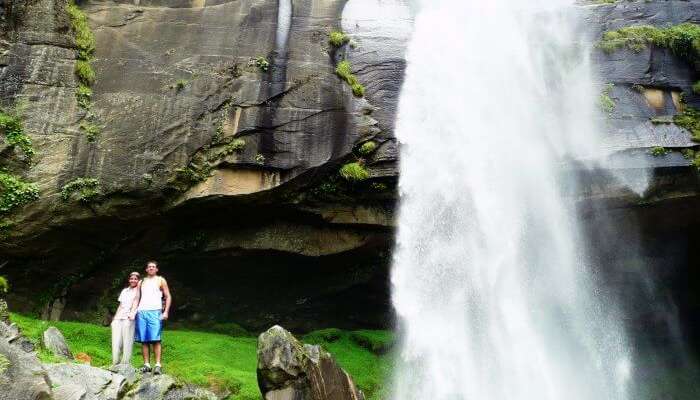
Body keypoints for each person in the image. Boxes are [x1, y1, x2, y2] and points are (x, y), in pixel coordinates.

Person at [129, 260, 171, 375]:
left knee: (156, 339)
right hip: (142, 312)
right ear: (146, 269)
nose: (151, 268)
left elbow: (168, 296)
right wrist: (133, 312)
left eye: (153, 267)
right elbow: (137, 298)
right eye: (149, 267)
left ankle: (157, 365)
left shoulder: (161, 280)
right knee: (144, 340)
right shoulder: (141, 282)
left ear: (156, 269)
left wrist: (166, 312)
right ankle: (146, 364)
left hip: (155, 312)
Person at [111, 271, 140, 368]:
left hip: (129, 317)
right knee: (116, 339)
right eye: (131, 278)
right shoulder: (124, 291)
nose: (133, 280)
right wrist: (115, 317)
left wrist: (132, 314)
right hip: (119, 316)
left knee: (127, 340)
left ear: (138, 280)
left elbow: (137, 304)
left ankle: (125, 363)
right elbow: (120, 305)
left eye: (135, 279)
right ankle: (115, 361)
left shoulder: (139, 291)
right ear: (129, 280)